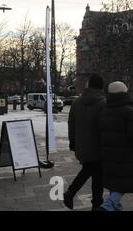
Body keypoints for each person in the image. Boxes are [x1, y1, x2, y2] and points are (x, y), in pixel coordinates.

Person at [64, 74, 105, 210]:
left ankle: (95, 203)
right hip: (98, 146)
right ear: (101, 86)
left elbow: (71, 123)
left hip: (81, 145)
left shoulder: (77, 102)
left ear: (88, 85)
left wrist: (72, 141)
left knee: (93, 172)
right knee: (94, 172)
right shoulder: (103, 103)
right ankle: (72, 194)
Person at [98, 81, 133, 211]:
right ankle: (107, 206)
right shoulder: (128, 111)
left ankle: (114, 205)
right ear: (124, 93)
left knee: (116, 184)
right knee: (122, 185)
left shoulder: (104, 110)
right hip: (125, 157)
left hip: (108, 156)